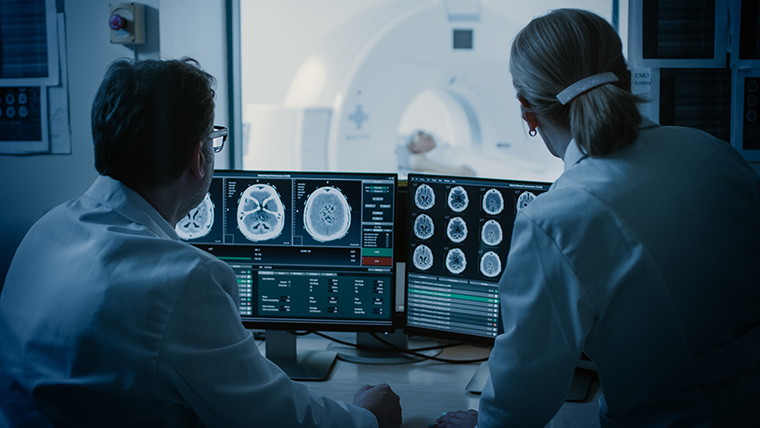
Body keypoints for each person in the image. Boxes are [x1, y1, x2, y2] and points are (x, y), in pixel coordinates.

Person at [0, 58, 401, 428]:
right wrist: (365, 417)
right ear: (199, 157)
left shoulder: (44, 231)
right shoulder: (183, 281)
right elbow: (275, 418)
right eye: (213, 138)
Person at [432, 8, 760, 428]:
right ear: (625, 79)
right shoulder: (714, 152)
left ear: (526, 112)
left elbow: (519, 402)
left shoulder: (557, 219)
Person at [397, 130, 476, 176]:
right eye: (420, 135)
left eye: (425, 133)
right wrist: (459, 171)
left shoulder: (442, 148)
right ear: (414, 147)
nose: (426, 135)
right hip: (467, 166)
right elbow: (416, 163)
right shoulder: (416, 158)